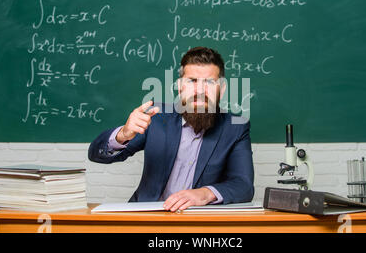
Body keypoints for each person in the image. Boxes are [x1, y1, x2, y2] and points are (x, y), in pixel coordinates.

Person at [88, 47, 254, 212]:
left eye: (210, 82)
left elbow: (243, 186)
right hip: (145, 218)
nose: (200, 91)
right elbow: (97, 155)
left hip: (198, 224)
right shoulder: (156, 117)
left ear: (222, 89)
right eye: (192, 81)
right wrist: (123, 134)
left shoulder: (236, 127)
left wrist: (205, 193)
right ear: (180, 85)